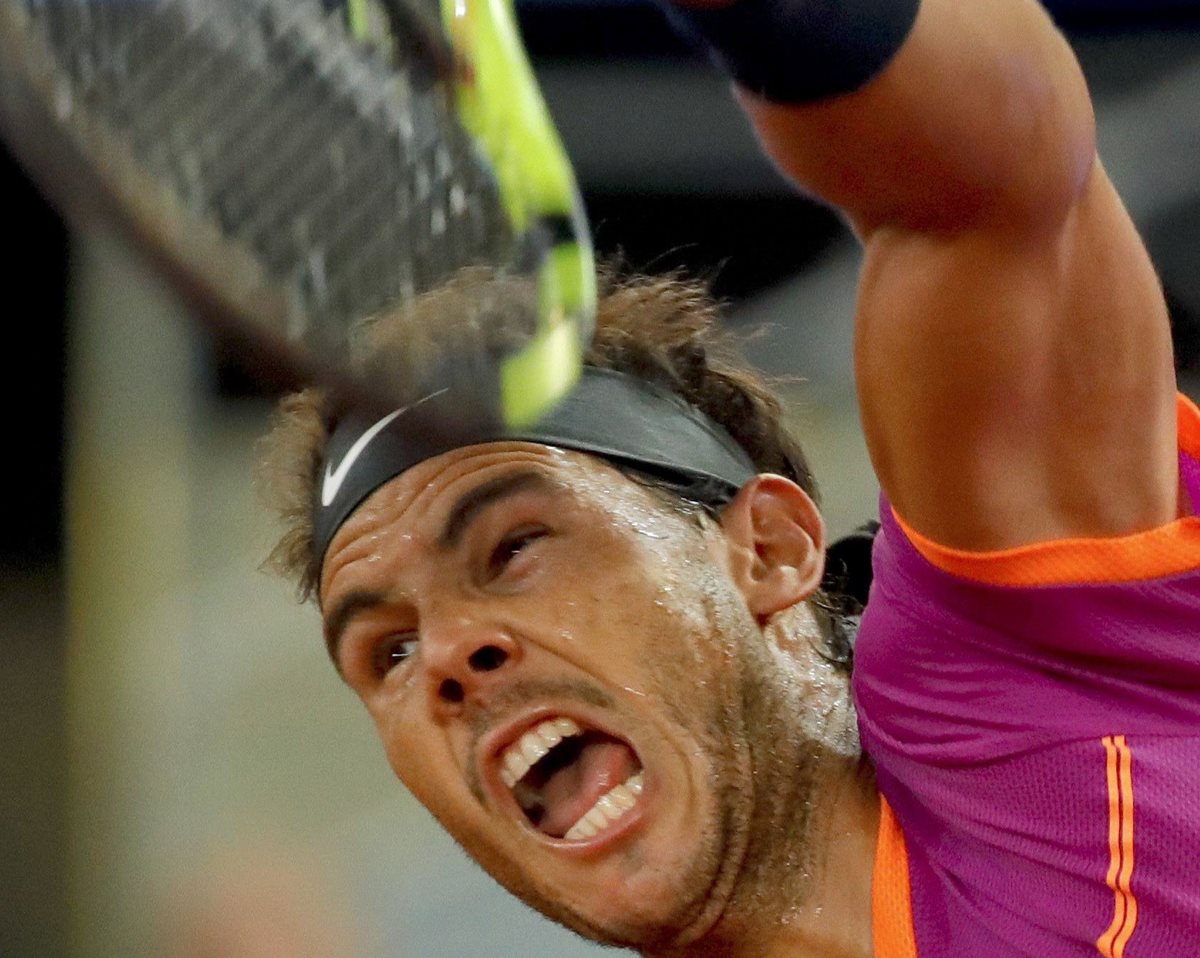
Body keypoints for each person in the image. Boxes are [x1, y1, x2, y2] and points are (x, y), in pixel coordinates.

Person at [259, 0, 1200, 954]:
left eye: (514, 547)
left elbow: (995, 173)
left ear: (769, 549)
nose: (450, 655)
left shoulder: (1032, 702)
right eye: (389, 652)